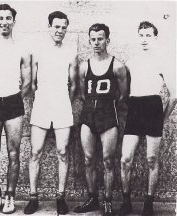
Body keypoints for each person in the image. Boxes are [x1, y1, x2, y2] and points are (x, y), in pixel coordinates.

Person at [119, 21, 176, 216]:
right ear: (138, 37)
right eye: (141, 35)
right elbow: (124, 90)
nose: (144, 39)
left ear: (155, 38)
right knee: (125, 159)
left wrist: (162, 118)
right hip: (135, 108)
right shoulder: (131, 61)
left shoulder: (162, 60)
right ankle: (126, 202)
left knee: (152, 159)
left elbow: (174, 95)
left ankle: (148, 204)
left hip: (153, 108)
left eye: (148, 36)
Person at [24, 11, 78, 215]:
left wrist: (64, 102)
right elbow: (33, 83)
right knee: (35, 151)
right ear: (49, 27)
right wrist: (43, 99)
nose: (60, 30)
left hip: (62, 105)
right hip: (42, 105)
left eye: (64, 27)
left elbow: (74, 86)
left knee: (63, 152)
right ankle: (33, 196)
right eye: (56, 26)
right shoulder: (38, 51)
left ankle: (60, 197)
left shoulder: (70, 52)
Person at [0, 4, 31, 215]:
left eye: (8, 18)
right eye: (0, 18)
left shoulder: (21, 48)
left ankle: (10, 196)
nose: (4, 21)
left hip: (13, 103)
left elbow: (28, 81)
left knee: (13, 152)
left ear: (13, 22)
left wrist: (13, 97)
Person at [74, 23, 128, 216]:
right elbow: (82, 93)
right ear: (89, 40)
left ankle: (107, 201)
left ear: (107, 40)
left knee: (107, 161)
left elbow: (123, 95)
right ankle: (92, 198)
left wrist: (107, 106)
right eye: (93, 39)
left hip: (108, 115)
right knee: (88, 159)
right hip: (88, 115)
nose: (96, 42)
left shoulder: (118, 66)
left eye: (100, 38)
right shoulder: (83, 66)